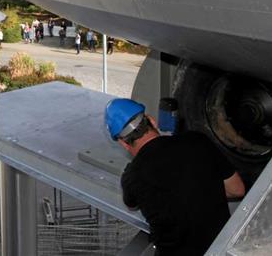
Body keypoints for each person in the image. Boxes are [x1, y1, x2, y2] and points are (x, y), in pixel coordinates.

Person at [105, 98, 246, 255]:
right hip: (219, 250)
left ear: (124, 143)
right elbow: (237, 190)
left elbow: (131, 204)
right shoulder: (197, 141)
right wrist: (203, 186)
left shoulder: (132, 177)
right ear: (152, 120)